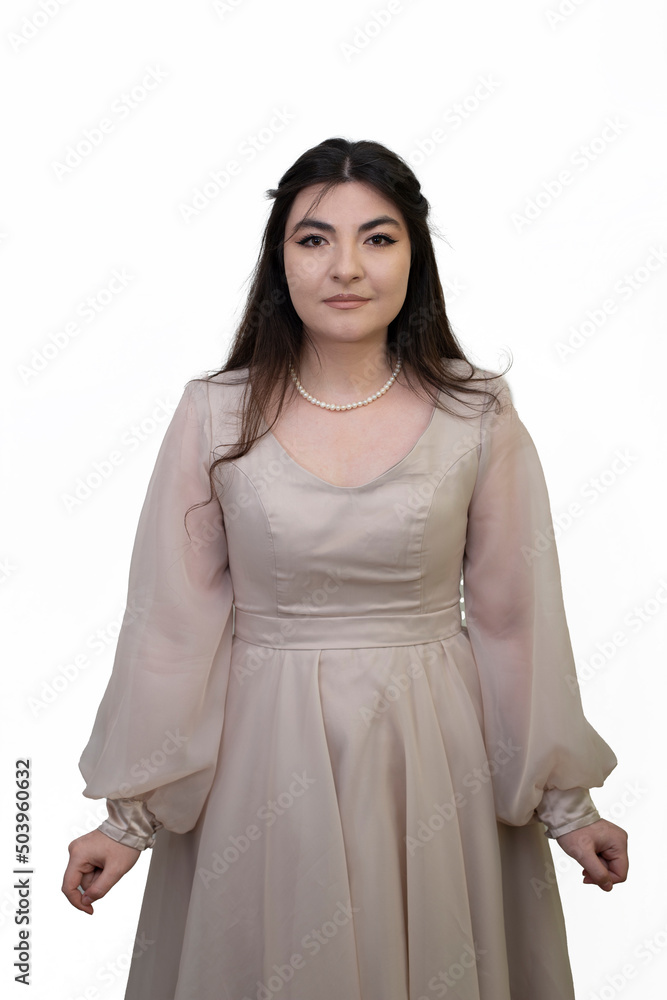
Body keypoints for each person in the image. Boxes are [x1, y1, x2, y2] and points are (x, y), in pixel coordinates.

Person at [62, 137, 628, 1000]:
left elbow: (518, 619)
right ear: (279, 259)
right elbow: (172, 625)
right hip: (261, 755)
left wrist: (567, 806)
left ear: (415, 256)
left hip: (438, 757)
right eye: (314, 238)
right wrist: (127, 821)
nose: (346, 267)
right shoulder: (214, 414)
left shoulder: (474, 413)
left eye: (378, 237)